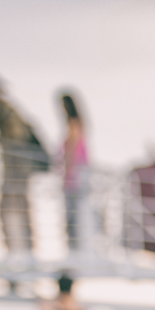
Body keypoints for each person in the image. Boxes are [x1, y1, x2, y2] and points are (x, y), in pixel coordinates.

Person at [0, 76, 44, 257]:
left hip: (17, 170)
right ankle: (20, 249)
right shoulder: (6, 110)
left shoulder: (6, 111)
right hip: (17, 170)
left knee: (12, 208)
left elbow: (16, 140)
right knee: (15, 208)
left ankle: (20, 250)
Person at [59, 92, 92, 252]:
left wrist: (66, 174)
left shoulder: (73, 124)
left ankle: (74, 247)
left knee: (73, 215)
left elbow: (71, 152)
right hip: (80, 175)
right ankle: (76, 246)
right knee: (77, 213)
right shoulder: (81, 124)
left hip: (74, 178)